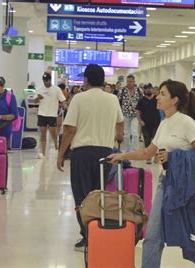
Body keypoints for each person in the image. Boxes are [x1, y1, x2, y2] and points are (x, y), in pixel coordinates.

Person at [109, 80, 195, 268]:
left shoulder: (186, 122)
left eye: (163, 94)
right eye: (159, 93)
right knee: (152, 235)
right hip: (166, 183)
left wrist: (173, 156)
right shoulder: (164, 123)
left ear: (174, 100)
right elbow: (147, 152)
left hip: (190, 186)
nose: (158, 97)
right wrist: (122, 155)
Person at [57, 64, 124, 252]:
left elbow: (70, 129)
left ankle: (87, 237)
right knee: (99, 194)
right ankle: (99, 234)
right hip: (105, 153)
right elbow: (120, 123)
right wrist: (118, 137)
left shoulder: (79, 98)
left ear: (86, 80)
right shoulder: (112, 99)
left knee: (82, 196)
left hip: (82, 154)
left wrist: (61, 154)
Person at [34, 73, 67, 159]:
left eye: (47, 81)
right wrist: (38, 98)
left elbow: (62, 100)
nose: (45, 82)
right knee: (43, 133)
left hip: (52, 114)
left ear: (50, 80)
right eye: (44, 81)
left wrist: (65, 106)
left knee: (53, 132)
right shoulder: (40, 89)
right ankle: (43, 152)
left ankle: (56, 145)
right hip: (42, 114)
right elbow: (35, 101)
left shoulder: (56, 89)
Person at [136, 83, 161, 164]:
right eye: (146, 88)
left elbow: (162, 109)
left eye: (149, 88)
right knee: (147, 140)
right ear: (144, 90)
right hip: (145, 123)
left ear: (152, 89)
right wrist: (140, 121)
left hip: (156, 123)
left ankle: (156, 154)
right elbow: (137, 111)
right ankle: (148, 157)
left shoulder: (157, 99)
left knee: (155, 140)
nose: (148, 90)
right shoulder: (141, 100)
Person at [118, 74, 143, 152]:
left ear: (134, 81)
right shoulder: (122, 90)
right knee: (126, 134)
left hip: (135, 115)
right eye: (128, 81)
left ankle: (135, 150)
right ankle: (127, 149)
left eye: (131, 81)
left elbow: (142, 102)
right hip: (125, 114)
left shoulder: (139, 90)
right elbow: (118, 102)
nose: (129, 83)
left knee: (135, 133)